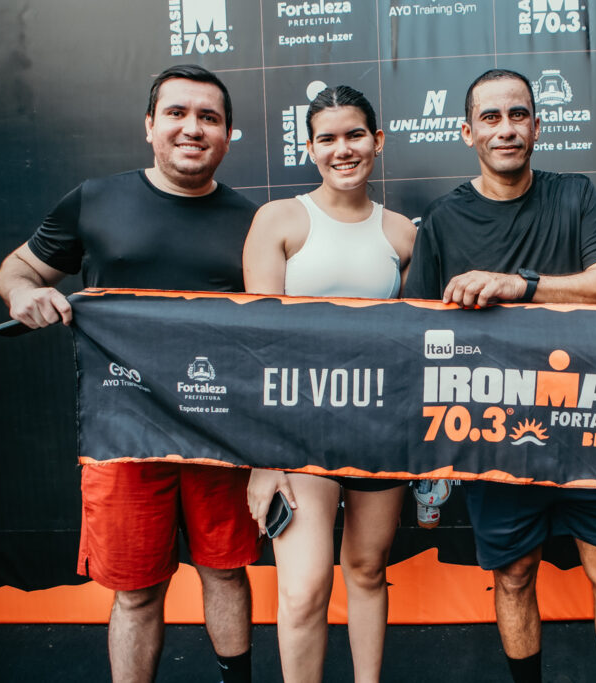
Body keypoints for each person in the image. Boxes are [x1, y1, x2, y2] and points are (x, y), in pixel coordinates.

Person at [0, 64, 261, 683]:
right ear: (149, 126)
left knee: (224, 571)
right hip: (122, 436)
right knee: (137, 591)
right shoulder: (94, 199)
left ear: (228, 136)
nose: (192, 128)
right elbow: (17, 269)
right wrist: (19, 294)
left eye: (209, 118)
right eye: (177, 113)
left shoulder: (254, 222)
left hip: (220, 434)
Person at [404, 69, 596, 683]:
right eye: (491, 117)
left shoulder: (575, 195)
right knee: (513, 577)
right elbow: (414, 336)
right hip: (492, 429)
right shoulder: (442, 220)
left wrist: (523, 287)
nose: (506, 129)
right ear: (466, 132)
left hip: (591, 420)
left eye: (518, 115)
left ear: (537, 125)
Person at [242, 85, 415, 683]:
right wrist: (266, 457)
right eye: (328, 138)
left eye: (355, 135)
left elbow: (414, 351)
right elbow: (260, 346)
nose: (343, 149)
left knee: (367, 570)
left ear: (378, 141)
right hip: (299, 435)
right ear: (310, 147)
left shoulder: (401, 234)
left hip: (378, 434)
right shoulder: (281, 219)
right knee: (304, 588)